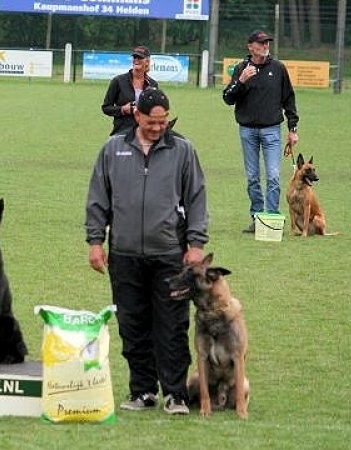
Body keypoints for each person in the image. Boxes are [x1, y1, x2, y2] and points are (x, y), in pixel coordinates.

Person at [85, 87, 208, 415]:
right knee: (132, 325)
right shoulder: (113, 149)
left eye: (163, 121)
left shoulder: (183, 150)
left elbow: (196, 198)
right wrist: (95, 241)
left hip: (169, 254)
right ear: (137, 115)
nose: (158, 127)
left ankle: (175, 394)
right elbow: (98, 198)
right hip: (124, 253)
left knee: (172, 325)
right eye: (152, 121)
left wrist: (196, 244)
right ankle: (142, 391)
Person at [222, 30, 299, 233]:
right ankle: (257, 217)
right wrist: (241, 81)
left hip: (272, 130)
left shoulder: (278, 68)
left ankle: (271, 219)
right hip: (247, 131)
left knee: (273, 176)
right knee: (253, 177)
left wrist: (293, 129)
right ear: (250, 47)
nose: (266, 46)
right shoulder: (241, 68)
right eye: (261, 43)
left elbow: (289, 99)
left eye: (267, 43)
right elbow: (228, 98)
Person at [101, 45, 159, 136]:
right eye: (135, 57)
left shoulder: (153, 84)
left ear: (147, 61)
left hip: (144, 134)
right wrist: (123, 109)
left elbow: (155, 110)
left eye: (140, 57)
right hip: (122, 133)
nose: (136, 59)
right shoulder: (118, 81)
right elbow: (106, 108)